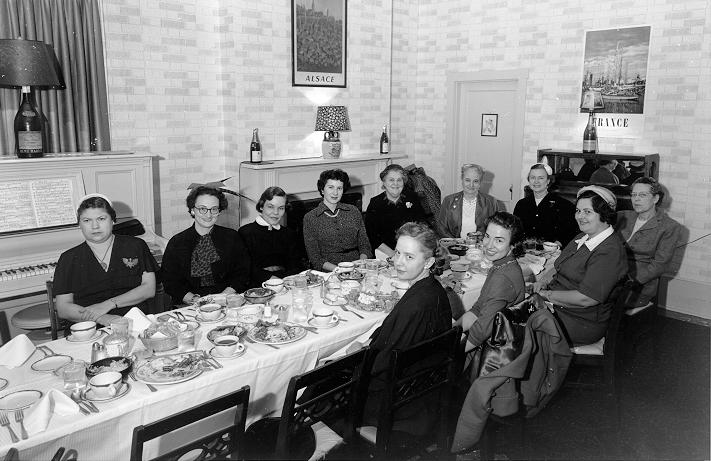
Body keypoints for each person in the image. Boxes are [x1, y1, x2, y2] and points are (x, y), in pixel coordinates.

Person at [348, 222, 452, 435]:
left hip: (397, 403)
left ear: (428, 262)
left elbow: (384, 362)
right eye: (397, 253)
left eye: (409, 257)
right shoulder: (432, 289)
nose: (398, 262)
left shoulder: (417, 304)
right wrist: (369, 343)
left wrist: (357, 358)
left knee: (321, 387)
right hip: (419, 389)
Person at [532, 186, 627, 345]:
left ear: (604, 214)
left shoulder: (609, 251)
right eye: (578, 211)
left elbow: (586, 299)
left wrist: (546, 295)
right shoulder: (583, 237)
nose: (580, 216)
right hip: (558, 307)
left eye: (587, 212)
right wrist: (543, 281)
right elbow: (558, 266)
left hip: (579, 320)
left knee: (514, 325)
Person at [53, 194, 158, 326]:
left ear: (112, 220)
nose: (95, 226)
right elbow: (63, 308)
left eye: (101, 219)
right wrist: (103, 318)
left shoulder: (136, 246)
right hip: (90, 324)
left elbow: (149, 289)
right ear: (79, 224)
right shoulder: (68, 258)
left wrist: (108, 304)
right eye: (87, 220)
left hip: (134, 321)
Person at [161, 186, 250, 305]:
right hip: (189, 305)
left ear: (219, 211)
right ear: (192, 210)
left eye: (214, 209)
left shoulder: (232, 237)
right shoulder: (177, 242)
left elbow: (243, 273)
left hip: (228, 300)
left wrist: (222, 297)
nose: (208, 215)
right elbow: (170, 281)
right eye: (202, 209)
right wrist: (197, 301)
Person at [456, 212, 526, 350]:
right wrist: (452, 331)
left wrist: (448, 354)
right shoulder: (502, 264)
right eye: (487, 236)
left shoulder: (503, 278)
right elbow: (478, 309)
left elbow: (479, 333)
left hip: (496, 348)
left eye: (499, 240)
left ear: (513, 245)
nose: (488, 245)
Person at [615, 177, 681, 314]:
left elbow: (659, 265)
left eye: (642, 195)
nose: (636, 199)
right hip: (611, 275)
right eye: (633, 195)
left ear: (655, 198)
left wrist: (628, 280)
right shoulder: (622, 216)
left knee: (595, 298)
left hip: (637, 286)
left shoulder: (669, 227)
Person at [302, 169, 372, 271]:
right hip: (329, 271)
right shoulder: (310, 218)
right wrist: (339, 270)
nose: (335, 192)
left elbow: (365, 245)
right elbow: (315, 258)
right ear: (322, 190)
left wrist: (361, 263)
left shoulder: (353, 211)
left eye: (339, 188)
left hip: (357, 267)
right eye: (331, 187)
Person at [238, 186, 303, 287]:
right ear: (261, 206)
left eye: (281, 208)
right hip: (258, 284)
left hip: (286, 282)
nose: (276, 213)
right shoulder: (246, 232)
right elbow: (246, 267)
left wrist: (288, 280)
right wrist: (271, 279)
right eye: (270, 207)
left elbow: (295, 264)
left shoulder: (288, 233)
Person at [365, 164, 426, 258]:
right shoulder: (375, 203)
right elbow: (372, 237)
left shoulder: (412, 197)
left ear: (403, 182)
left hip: (410, 248)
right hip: (385, 253)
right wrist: (394, 255)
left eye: (399, 180)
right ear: (384, 182)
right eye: (391, 180)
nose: (395, 184)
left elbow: (421, 225)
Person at [513, 163, 578, 247]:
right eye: (533, 177)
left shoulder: (563, 206)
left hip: (552, 251)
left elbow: (569, 232)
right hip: (525, 250)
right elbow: (515, 231)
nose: (536, 181)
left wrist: (555, 245)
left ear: (548, 181)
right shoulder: (521, 204)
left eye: (541, 178)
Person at [439, 163, 504, 238]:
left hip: (481, 244)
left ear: (480, 182)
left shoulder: (491, 202)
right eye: (467, 180)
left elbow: (496, 228)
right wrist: (455, 242)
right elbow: (442, 227)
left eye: (475, 181)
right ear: (462, 180)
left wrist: (481, 239)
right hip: (454, 244)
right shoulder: (448, 200)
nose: (471, 185)